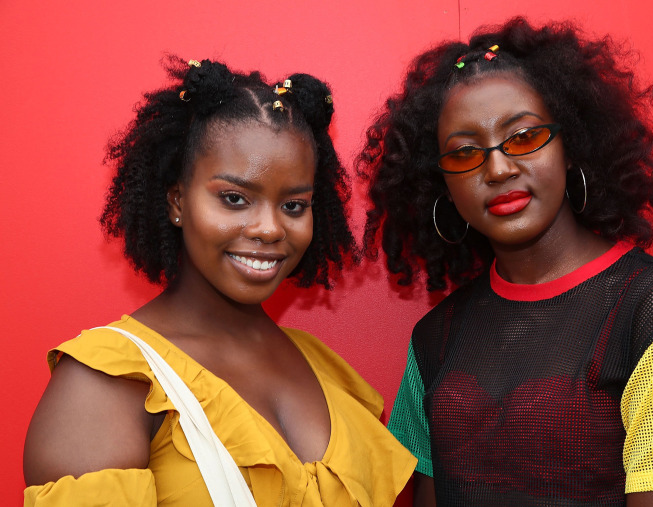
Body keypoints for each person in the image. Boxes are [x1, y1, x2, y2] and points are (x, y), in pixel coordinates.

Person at [359, 17, 653, 507]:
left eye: (523, 137)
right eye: (464, 153)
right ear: (443, 184)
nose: (498, 168)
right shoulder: (435, 338)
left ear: (572, 147)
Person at [23, 57, 416, 506]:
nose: (270, 228)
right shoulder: (108, 381)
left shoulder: (323, 368)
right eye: (234, 198)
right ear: (176, 200)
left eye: (293, 206)